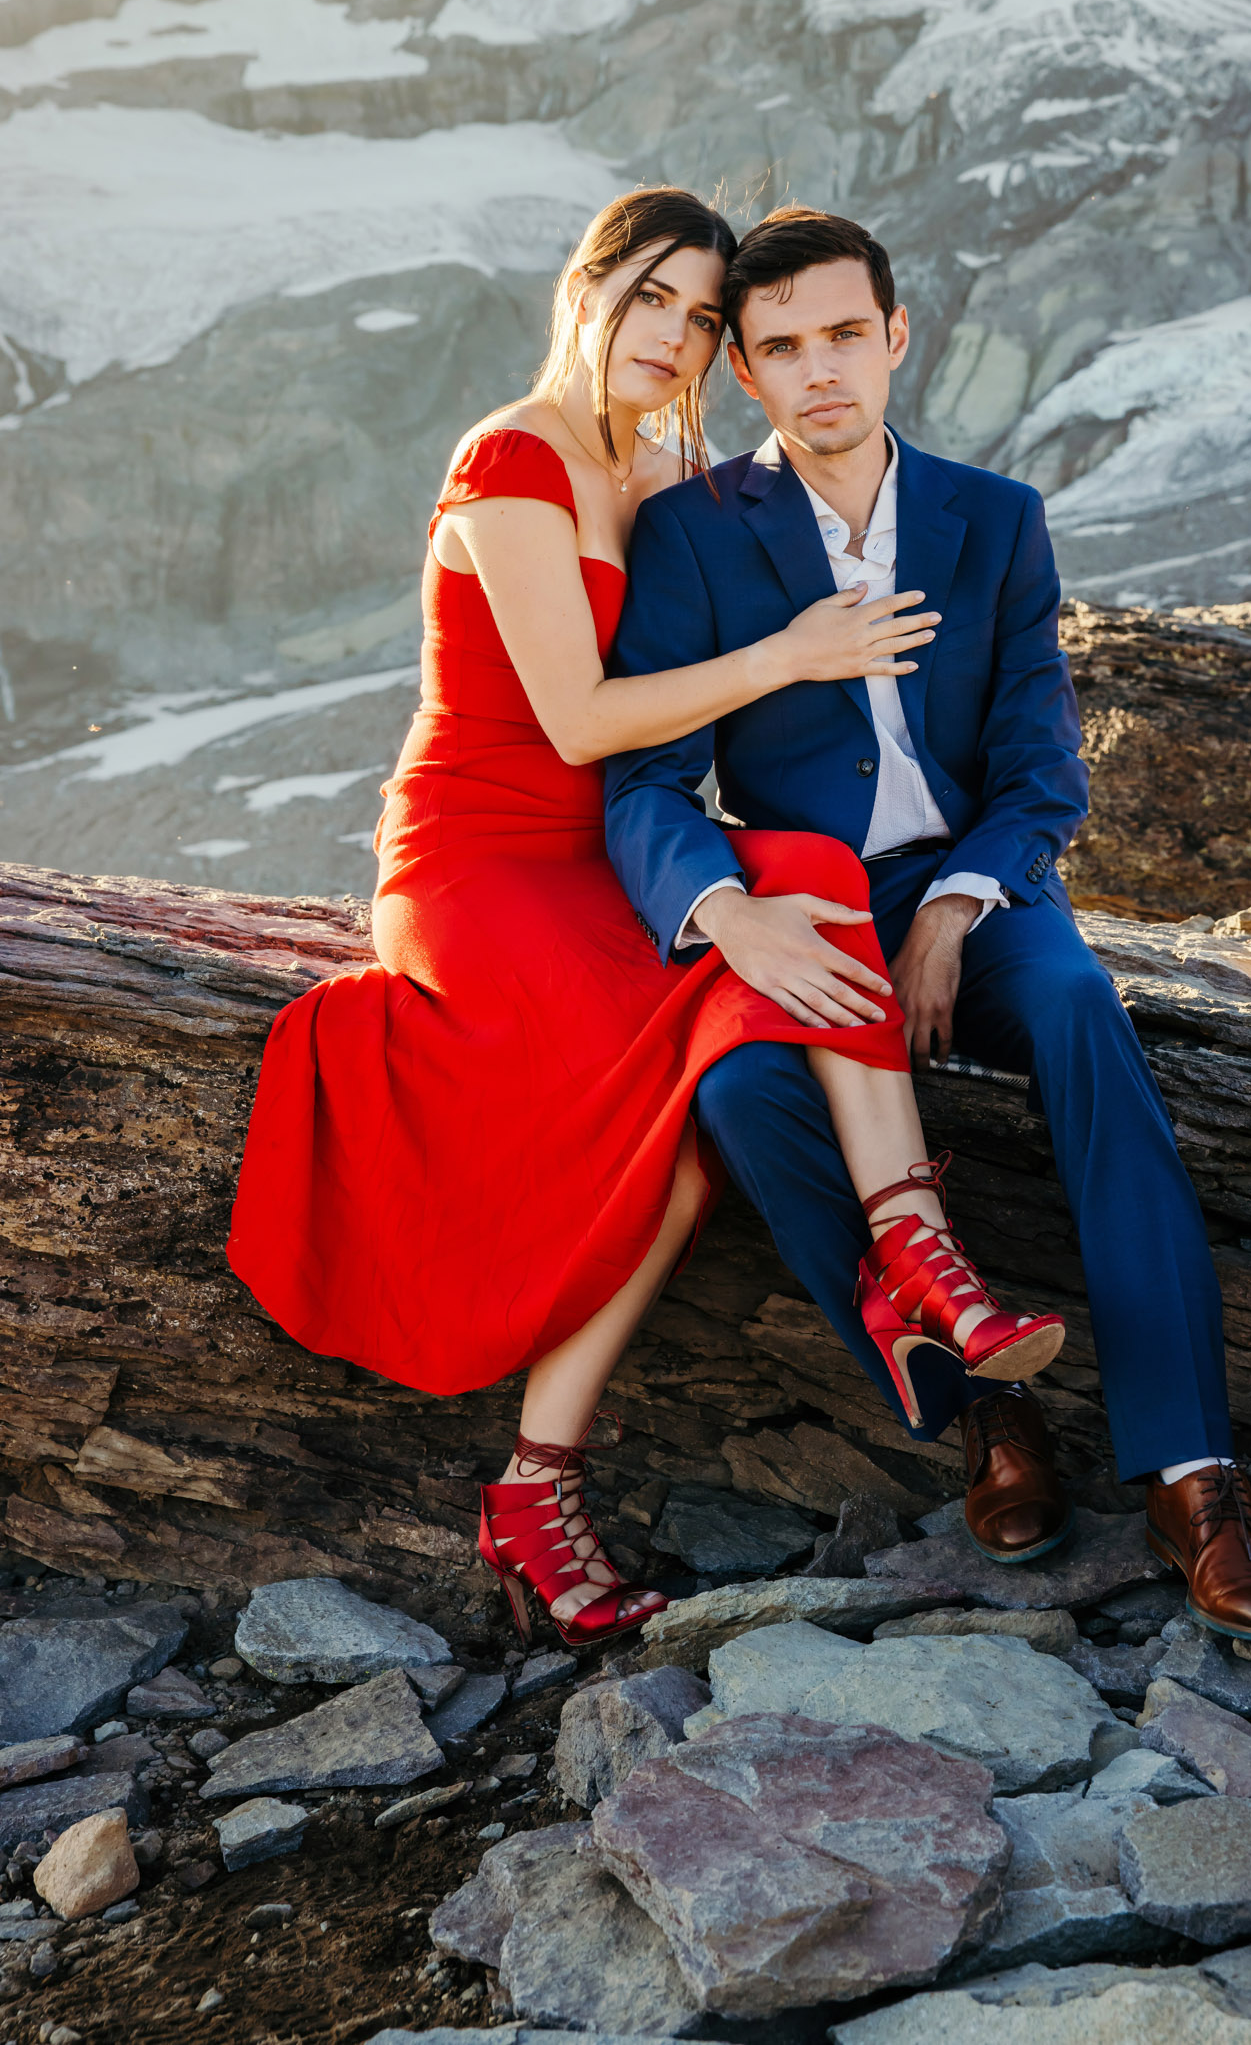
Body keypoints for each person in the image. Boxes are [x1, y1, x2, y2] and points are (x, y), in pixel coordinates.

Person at [228, 185, 1059, 1652]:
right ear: (586, 288)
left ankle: (909, 1255)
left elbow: (647, 765)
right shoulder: (514, 458)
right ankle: (549, 1484)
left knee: (794, 884)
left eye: (698, 315)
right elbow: (577, 715)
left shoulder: (663, 455)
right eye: (651, 301)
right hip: (484, 858)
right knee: (681, 1056)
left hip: (599, 855)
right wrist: (796, 655)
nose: (673, 338)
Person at [604, 206, 1251, 1639]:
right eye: (782, 347)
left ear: (897, 335)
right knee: (740, 1091)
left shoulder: (997, 519)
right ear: (741, 367)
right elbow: (645, 783)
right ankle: (987, 1408)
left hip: (977, 888)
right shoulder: (691, 535)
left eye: (846, 336)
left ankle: (1194, 1475)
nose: (821, 374)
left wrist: (957, 909)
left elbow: (1045, 767)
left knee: (1076, 1013)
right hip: (802, 900)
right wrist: (726, 911)